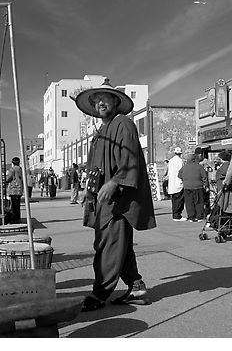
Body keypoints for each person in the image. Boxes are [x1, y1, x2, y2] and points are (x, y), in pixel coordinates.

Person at [73, 78, 156, 312]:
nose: (100, 102)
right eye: (96, 99)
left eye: (105, 98)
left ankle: (100, 293)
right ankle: (136, 287)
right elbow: (95, 165)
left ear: (116, 102)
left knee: (107, 245)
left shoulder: (123, 124)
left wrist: (115, 182)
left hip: (116, 199)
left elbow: (130, 160)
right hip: (102, 197)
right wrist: (88, 191)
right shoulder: (103, 130)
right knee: (120, 245)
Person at [178, 153, 208, 223]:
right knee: (199, 201)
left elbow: (179, 175)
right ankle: (199, 216)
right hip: (198, 186)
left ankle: (191, 216)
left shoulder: (184, 167)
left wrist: (185, 179)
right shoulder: (199, 167)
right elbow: (204, 176)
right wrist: (205, 184)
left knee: (189, 202)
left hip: (187, 186)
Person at [167, 147, 185, 221]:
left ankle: (175, 214)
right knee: (179, 200)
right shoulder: (180, 161)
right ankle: (177, 215)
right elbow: (181, 172)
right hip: (178, 182)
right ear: (180, 153)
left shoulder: (171, 161)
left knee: (174, 200)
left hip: (172, 182)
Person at [6, 157, 24, 224]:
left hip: (13, 189)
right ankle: (18, 218)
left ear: (13, 163)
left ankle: (14, 219)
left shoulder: (12, 169)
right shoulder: (21, 169)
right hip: (19, 189)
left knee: (13, 206)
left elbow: (8, 178)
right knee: (17, 205)